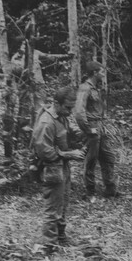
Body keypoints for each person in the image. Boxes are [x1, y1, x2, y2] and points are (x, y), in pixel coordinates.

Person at [32, 86, 85, 251]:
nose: (70, 111)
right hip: (52, 168)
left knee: (63, 202)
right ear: (56, 103)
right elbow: (44, 151)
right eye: (67, 107)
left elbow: (68, 132)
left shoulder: (62, 117)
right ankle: (49, 244)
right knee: (53, 207)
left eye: (71, 107)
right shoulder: (46, 122)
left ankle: (61, 237)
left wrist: (82, 134)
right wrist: (68, 154)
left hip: (63, 165)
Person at [74, 61, 119, 198]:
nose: (103, 74)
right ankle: (90, 191)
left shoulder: (95, 88)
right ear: (94, 73)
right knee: (91, 160)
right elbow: (78, 112)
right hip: (92, 127)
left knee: (108, 156)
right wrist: (88, 129)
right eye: (101, 72)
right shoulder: (85, 88)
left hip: (100, 126)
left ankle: (110, 189)